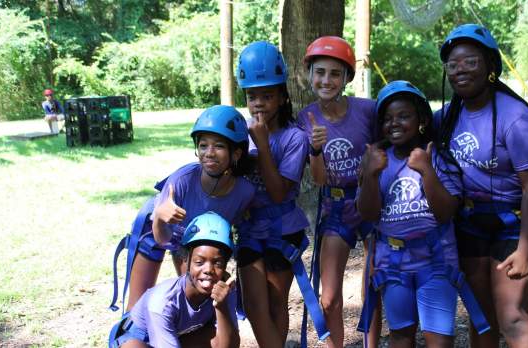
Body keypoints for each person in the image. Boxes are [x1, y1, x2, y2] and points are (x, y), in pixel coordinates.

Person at [436, 24, 528, 347]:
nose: (460, 70)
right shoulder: (447, 116)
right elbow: (403, 126)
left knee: (513, 317)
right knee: (481, 318)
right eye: (453, 64)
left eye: (470, 62)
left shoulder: (516, 118)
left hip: (514, 226)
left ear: (491, 65)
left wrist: (526, 250)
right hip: (471, 225)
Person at [357, 80, 466, 347]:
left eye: (404, 116)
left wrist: (427, 171)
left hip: (436, 261)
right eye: (387, 118)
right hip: (393, 264)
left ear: (421, 120)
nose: (394, 123)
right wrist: (370, 175)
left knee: (438, 340)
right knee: (400, 336)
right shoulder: (377, 159)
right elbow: (369, 214)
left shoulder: (437, 157)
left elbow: (445, 213)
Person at [124, 105, 256, 312]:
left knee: (201, 300)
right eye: (203, 146)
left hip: (195, 241)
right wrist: (159, 216)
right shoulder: (181, 181)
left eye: (219, 146)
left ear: (236, 153)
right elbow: (164, 239)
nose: (209, 153)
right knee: (136, 306)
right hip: (159, 230)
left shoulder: (245, 192)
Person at [296, 36, 381, 347]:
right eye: (320, 72)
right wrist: (316, 149)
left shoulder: (368, 111)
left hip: (370, 200)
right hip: (334, 206)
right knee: (328, 298)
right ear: (309, 75)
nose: (326, 80)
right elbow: (318, 180)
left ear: (347, 77)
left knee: (375, 283)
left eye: (335, 73)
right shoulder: (305, 118)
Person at [234, 41, 317, 347]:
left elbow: (280, 193)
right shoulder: (240, 132)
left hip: (283, 230)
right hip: (249, 228)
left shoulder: (294, 138)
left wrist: (264, 147)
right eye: (252, 96)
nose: (258, 104)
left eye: (267, 96)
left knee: (275, 300)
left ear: (282, 97)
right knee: (255, 306)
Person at [112, 212, 240, 348]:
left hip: (176, 337)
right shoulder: (163, 302)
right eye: (199, 262)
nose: (208, 269)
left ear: (226, 264)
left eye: (218, 263)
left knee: (217, 336)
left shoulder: (224, 290)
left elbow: (230, 345)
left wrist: (221, 307)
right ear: (186, 259)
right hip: (138, 337)